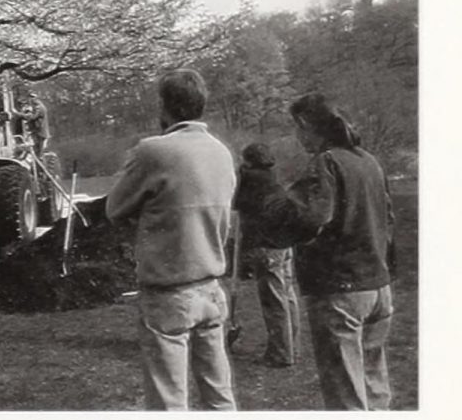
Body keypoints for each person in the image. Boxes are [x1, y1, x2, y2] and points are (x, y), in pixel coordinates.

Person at [241, 93, 395, 410]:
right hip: (378, 288)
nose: (297, 137)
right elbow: (388, 218)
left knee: (346, 400)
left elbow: (307, 218)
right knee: (375, 393)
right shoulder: (369, 161)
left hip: (341, 291)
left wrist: (271, 209)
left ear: (306, 125)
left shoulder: (327, 162)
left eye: (297, 129)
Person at [105, 68, 237, 411]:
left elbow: (115, 208)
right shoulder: (221, 152)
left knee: (169, 402)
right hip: (211, 286)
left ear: (165, 106)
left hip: (169, 290)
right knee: (219, 396)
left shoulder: (153, 151)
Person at [233, 142, 300, 368]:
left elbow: (236, 203)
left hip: (266, 245)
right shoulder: (273, 176)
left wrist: (240, 176)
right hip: (284, 244)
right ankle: (291, 347)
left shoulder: (252, 179)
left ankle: (281, 354)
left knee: (274, 301)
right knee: (287, 295)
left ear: (249, 160)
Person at [21, 90, 50, 156]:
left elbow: (33, 117)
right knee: (37, 150)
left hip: (40, 132)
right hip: (39, 131)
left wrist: (22, 115)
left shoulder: (39, 107)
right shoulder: (37, 107)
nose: (31, 99)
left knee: (39, 152)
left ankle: (40, 159)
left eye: (32, 97)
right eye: (30, 97)